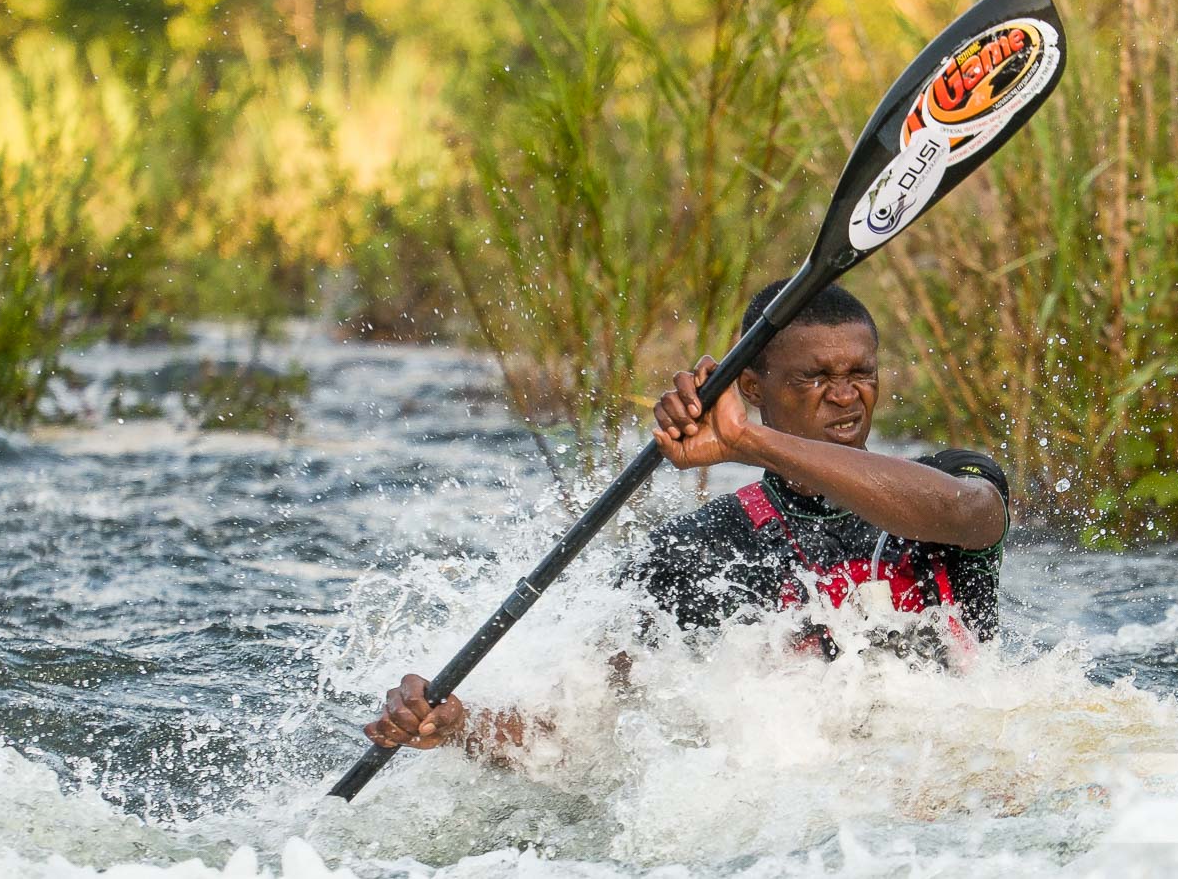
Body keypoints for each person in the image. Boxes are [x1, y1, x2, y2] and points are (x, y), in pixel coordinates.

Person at [363, 281, 1010, 755]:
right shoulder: (702, 550)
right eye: (815, 377)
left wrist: (746, 443)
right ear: (752, 391)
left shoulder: (953, 478)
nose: (846, 396)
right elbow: (566, 729)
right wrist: (457, 725)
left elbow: (962, 513)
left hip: (958, 778)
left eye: (861, 373)